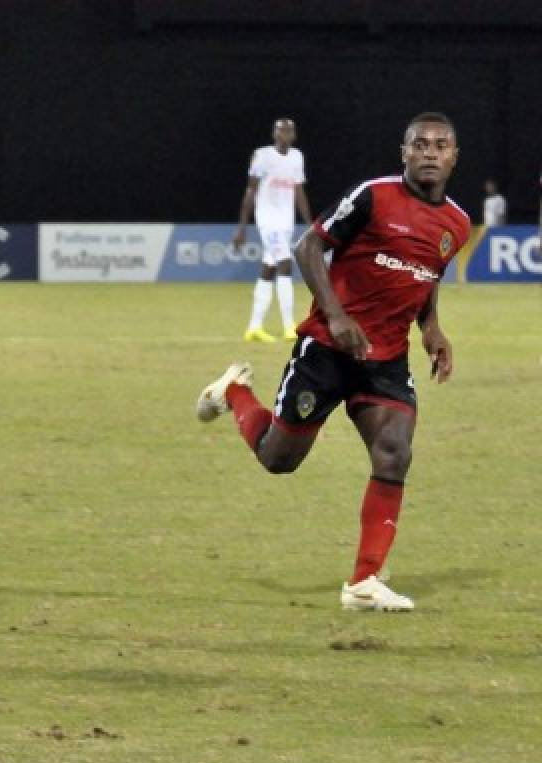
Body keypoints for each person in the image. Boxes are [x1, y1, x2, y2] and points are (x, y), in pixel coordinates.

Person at [199, 112, 470, 611]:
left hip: (385, 359)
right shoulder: (373, 196)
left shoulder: (457, 223)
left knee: (394, 452)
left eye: (441, 145)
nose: (430, 152)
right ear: (404, 152)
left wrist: (431, 327)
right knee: (279, 458)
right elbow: (309, 246)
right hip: (326, 348)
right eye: (420, 144)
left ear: (454, 156)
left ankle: (364, 582)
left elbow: (427, 273)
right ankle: (232, 391)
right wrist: (337, 315)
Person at [233, 118, 313, 342]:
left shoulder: (297, 157)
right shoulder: (263, 156)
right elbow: (251, 191)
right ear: (274, 134)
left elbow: (299, 192)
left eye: (289, 131)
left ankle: (254, 327)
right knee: (286, 264)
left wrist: (309, 223)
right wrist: (242, 226)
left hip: (285, 222)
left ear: (294, 135)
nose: (285, 135)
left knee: (269, 268)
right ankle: (289, 326)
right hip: (267, 219)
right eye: (280, 131)